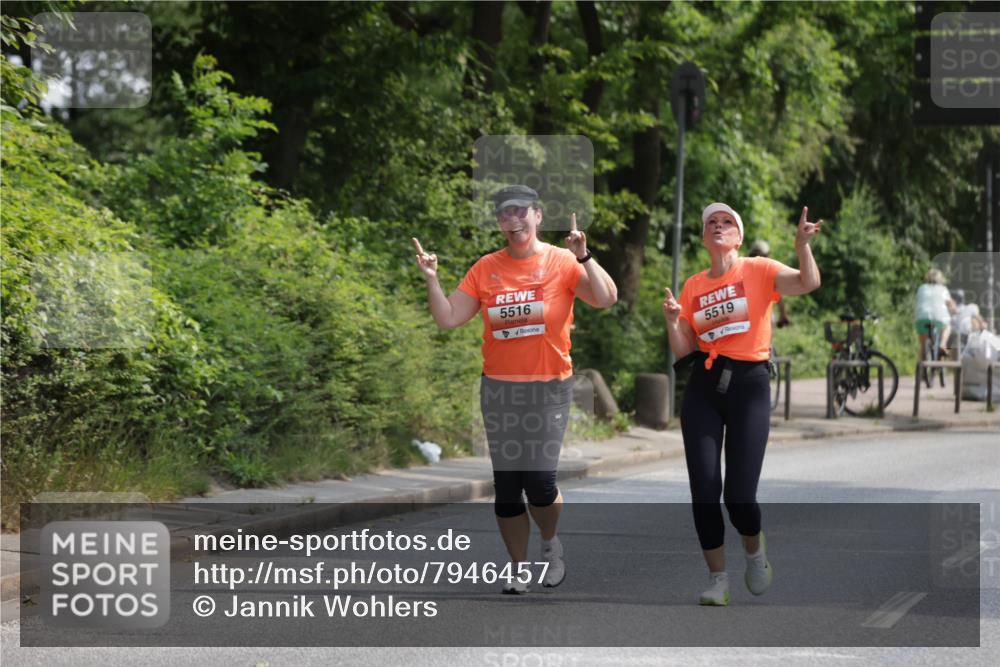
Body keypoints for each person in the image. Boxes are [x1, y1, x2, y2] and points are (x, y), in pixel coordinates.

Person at [412, 184, 617, 594]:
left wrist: (584, 255)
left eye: (521, 211)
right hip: (500, 390)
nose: (513, 219)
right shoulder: (486, 267)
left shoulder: (562, 261)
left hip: (549, 388)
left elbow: (606, 298)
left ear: (538, 216)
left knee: (539, 482)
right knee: (507, 489)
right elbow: (449, 318)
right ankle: (519, 567)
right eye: (505, 213)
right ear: (499, 223)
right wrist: (432, 280)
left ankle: (550, 544)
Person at [662, 203, 822, 606]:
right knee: (704, 489)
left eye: (727, 222)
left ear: (738, 237)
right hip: (704, 386)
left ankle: (754, 551)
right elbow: (684, 351)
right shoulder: (694, 286)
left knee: (738, 495)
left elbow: (807, 282)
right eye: (711, 223)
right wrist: (673, 321)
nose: (718, 226)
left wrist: (802, 246)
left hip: (749, 385)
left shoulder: (759, 270)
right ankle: (718, 580)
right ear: (704, 237)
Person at [914, 269, 956, 361]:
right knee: (948, 326)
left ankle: (923, 363)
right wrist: (954, 310)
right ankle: (943, 344)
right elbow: (951, 305)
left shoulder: (921, 288)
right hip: (939, 318)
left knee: (923, 345)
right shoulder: (943, 289)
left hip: (922, 317)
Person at [748, 240, 790, 328]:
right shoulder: (766, 274)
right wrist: (783, 314)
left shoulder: (744, 270)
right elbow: (778, 298)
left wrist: (783, 314)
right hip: (759, 319)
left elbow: (777, 297)